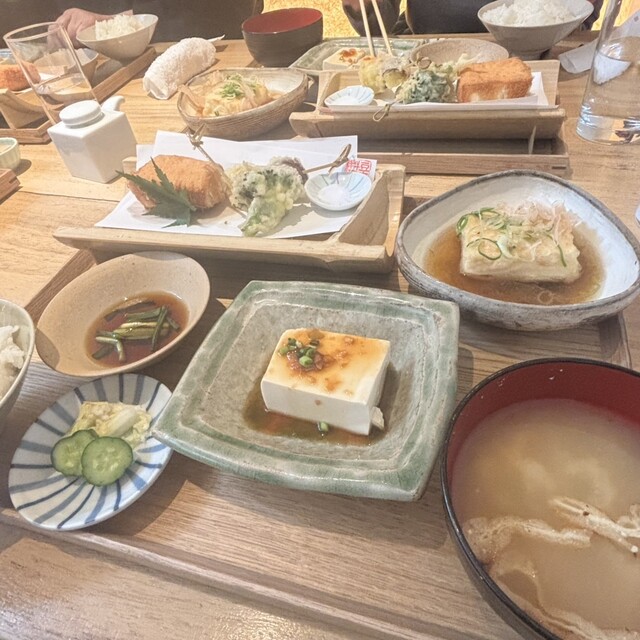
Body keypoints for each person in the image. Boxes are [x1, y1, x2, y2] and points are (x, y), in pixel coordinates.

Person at [341, 0, 603, 36]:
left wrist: (577, 13)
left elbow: (579, 12)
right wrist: (361, 8)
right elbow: (375, 27)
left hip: (543, 52)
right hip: (424, 53)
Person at [54, 0, 263, 45]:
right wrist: (60, 30)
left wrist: (103, 25)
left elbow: (204, 12)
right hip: (98, 78)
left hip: (218, 47)